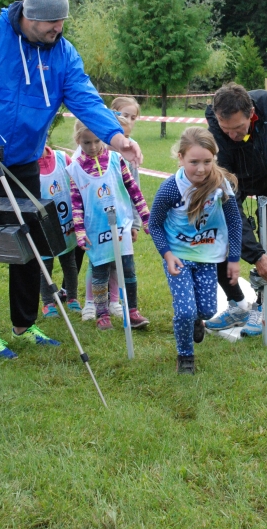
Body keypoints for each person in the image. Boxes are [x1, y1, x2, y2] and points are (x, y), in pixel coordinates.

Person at [0, 0, 141, 359]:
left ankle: (24, 325)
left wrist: (116, 137)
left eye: (62, 21)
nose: (58, 29)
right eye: (52, 22)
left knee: (26, 241)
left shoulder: (63, 54)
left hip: (23, 161)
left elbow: (85, 98)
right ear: (30, 16)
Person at [204, 82, 267, 338]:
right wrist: (256, 256)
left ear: (251, 113)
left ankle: (263, 307)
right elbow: (230, 208)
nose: (232, 135)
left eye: (238, 128)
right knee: (220, 230)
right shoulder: (215, 130)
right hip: (232, 176)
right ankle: (237, 305)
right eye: (226, 129)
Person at [149, 127, 242, 374]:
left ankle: (196, 321)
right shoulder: (171, 188)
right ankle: (185, 356)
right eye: (194, 162)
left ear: (214, 158)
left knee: (208, 310)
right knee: (184, 311)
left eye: (207, 162)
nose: (201, 169)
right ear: (180, 158)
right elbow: (154, 224)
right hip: (178, 257)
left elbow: (234, 222)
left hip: (207, 257)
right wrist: (167, 254)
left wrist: (234, 258)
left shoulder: (220, 185)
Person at [68, 121, 150, 332]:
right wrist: (80, 232)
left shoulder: (116, 160)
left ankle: (132, 311)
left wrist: (145, 216)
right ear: (78, 141)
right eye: (87, 142)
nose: (93, 146)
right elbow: (76, 204)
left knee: (128, 269)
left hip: (121, 224)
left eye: (97, 141)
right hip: (96, 229)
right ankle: (102, 314)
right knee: (100, 271)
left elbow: (133, 189)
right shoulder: (75, 169)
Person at [108, 97, 143, 317]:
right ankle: (99, 305)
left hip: (125, 218)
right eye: (124, 115)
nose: (128, 120)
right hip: (100, 218)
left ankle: (131, 308)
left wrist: (136, 223)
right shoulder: (98, 148)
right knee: (102, 264)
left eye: (133, 117)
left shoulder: (131, 153)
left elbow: (135, 190)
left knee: (127, 264)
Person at [37, 143, 81, 318]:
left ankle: (72, 297)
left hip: (66, 225)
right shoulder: (29, 165)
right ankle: (48, 302)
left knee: (69, 262)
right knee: (45, 266)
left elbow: (76, 183)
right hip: (44, 227)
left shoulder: (62, 158)